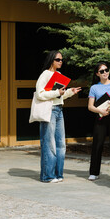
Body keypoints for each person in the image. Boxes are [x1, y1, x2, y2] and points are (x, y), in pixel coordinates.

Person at [35, 50, 81, 183]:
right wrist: (57, 92)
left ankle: (58, 174)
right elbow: (40, 94)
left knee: (61, 144)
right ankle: (47, 176)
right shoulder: (45, 74)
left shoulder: (58, 74)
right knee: (49, 144)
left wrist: (69, 92)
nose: (61, 62)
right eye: (58, 60)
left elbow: (58, 95)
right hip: (49, 110)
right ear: (51, 60)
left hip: (59, 109)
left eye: (61, 60)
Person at [87, 62, 110, 181]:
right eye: (102, 71)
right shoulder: (94, 87)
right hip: (101, 116)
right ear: (97, 74)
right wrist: (100, 111)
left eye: (106, 70)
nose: (105, 73)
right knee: (98, 143)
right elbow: (90, 106)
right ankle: (94, 172)